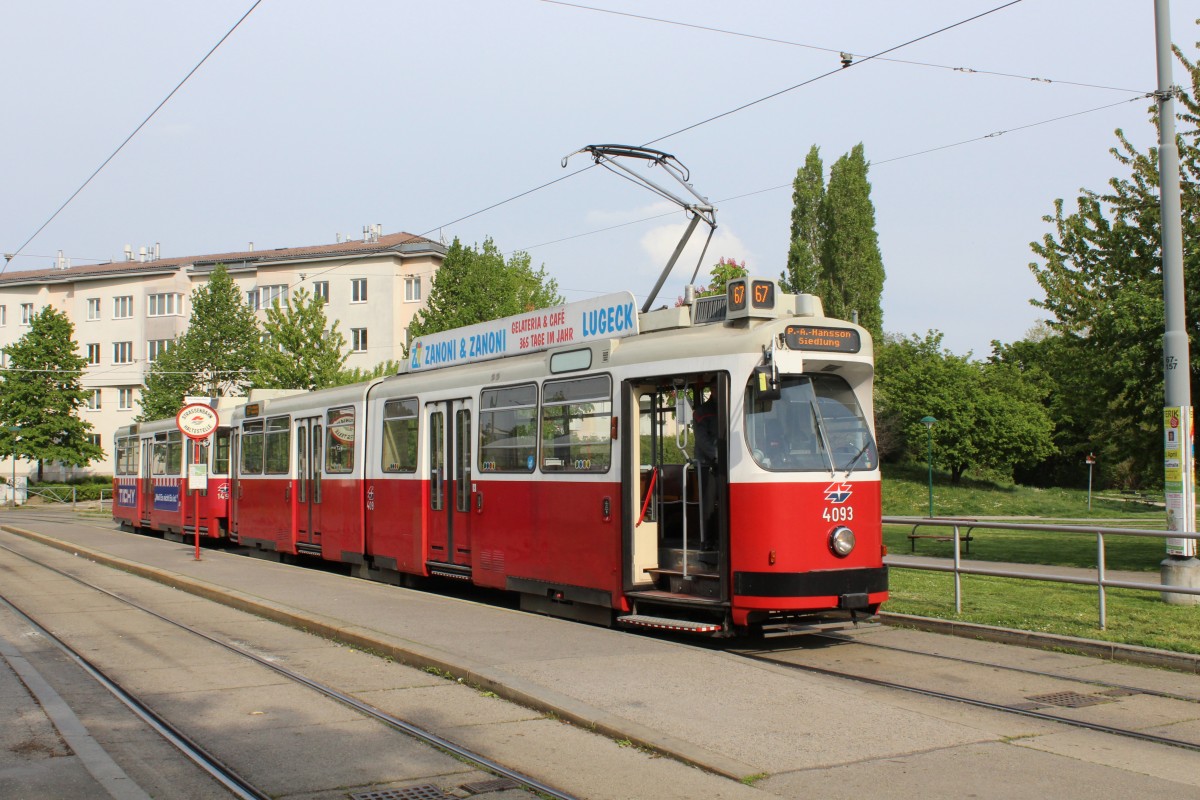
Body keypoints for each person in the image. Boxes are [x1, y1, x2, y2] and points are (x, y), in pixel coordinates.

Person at [692, 381, 719, 552]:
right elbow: (702, 440)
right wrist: (717, 455)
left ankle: (720, 537)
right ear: (711, 390)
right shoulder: (701, 412)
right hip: (706, 465)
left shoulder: (728, 407)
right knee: (708, 504)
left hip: (724, 463)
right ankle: (707, 540)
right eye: (716, 388)